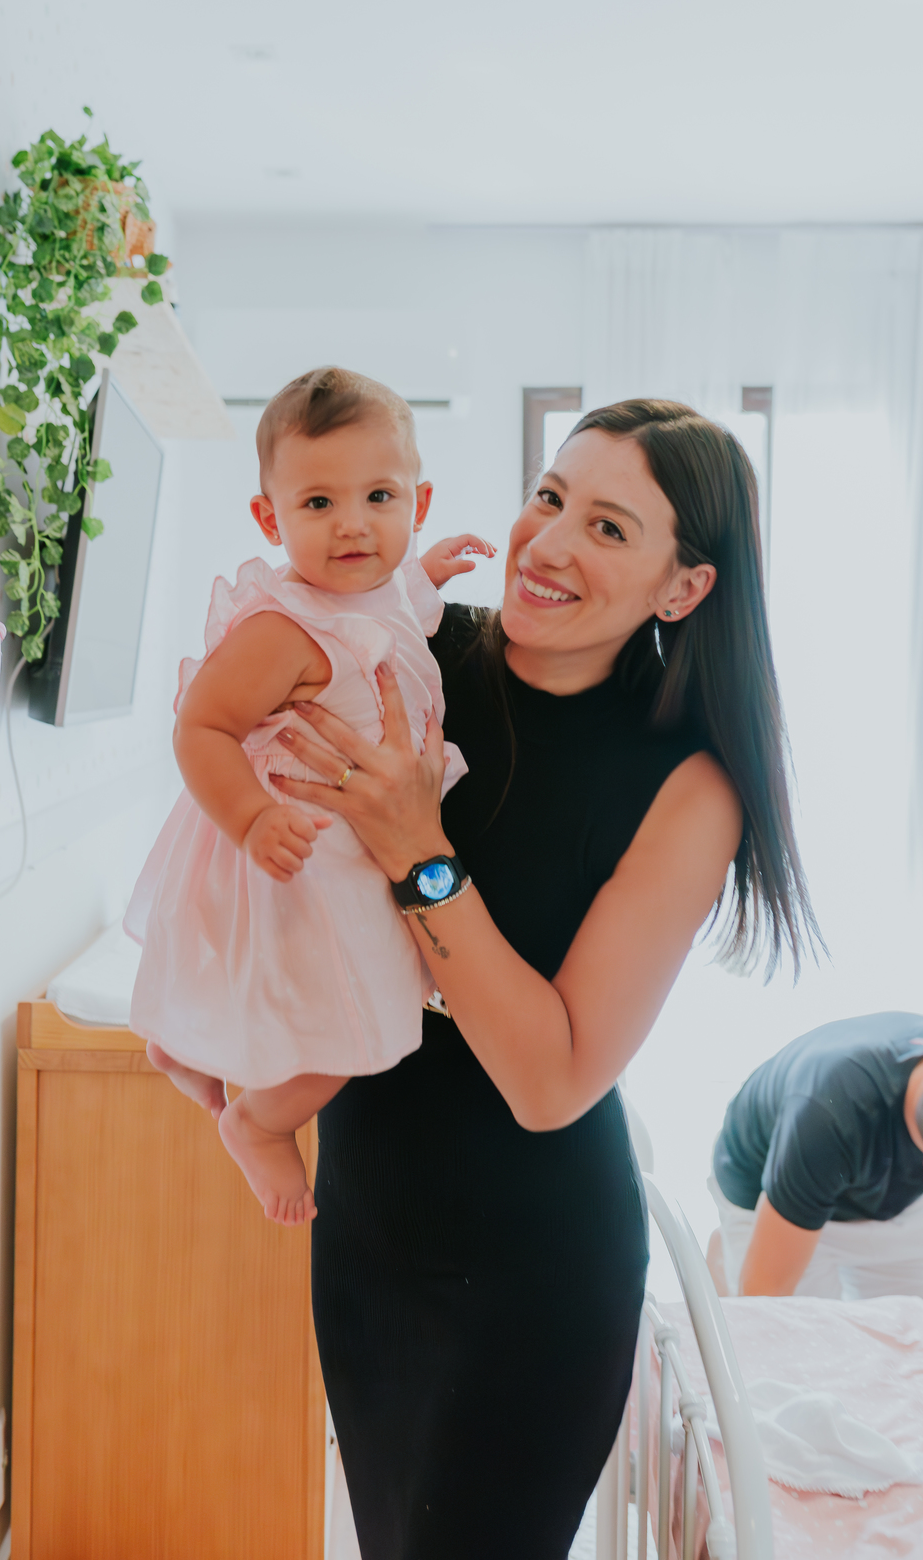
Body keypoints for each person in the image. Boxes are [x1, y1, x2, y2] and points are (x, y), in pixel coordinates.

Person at [274, 398, 819, 1559]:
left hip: (532, 1280)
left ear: (684, 587)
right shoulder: (412, 648)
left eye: (611, 528)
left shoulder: (689, 786)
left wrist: (422, 854)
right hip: (366, 1236)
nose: (551, 541)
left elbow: (550, 1077)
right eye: (550, 496)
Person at [124, 368, 495, 1224]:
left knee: (332, 1005)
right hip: (300, 853)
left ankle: (183, 1053)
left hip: (352, 851)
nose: (354, 524)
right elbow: (200, 729)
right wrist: (253, 820)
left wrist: (426, 573)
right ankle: (258, 1123)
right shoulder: (281, 630)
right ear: (271, 517)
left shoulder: (381, 590)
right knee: (363, 1026)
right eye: (319, 504)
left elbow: (396, 609)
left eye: (379, 496)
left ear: (418, 501)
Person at [709, 1013, 923, 1299]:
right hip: (769, 1195)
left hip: (876, 1183)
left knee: (907, 1332)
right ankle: (726, 1263)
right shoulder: (831, 1112)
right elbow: (768, 1290)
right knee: (793, 1335)